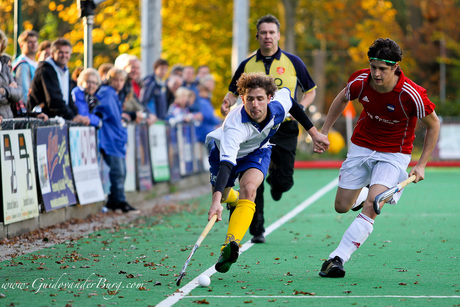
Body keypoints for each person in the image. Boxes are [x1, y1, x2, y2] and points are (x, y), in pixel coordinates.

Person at [318, 38, 440, 278]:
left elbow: (434, 124)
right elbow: (342, 98)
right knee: (342, 206)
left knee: (373, 205)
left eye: (382, 69)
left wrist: (422, 163)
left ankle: (338, 258)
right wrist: (323, 132)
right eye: (373, 67)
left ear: (395, 68)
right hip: (361, 145)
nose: (376, 73)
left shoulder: (412, 94)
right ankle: (368, 194)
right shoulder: (360, 81)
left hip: (394, 153)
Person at [207, 72, 329, 273]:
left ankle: (230, 246)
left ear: (269, 98)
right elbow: (227, 165)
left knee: (250, 188)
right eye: (250, 99)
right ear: (242, 99)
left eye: (260, 99)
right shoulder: (234, 125)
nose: (255, 105)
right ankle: (234, 200)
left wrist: (314, 133)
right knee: (223, 196)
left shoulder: (277, 108)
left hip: (258, 151)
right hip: (224, 155)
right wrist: (215, 201)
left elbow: (291, 100)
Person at [220, 14, 317, 244]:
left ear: (278, 35)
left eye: (272, 32)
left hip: (284, 127)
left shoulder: (294, 62)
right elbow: (233, 93)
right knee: (252, 181)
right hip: (254, 130)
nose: (267, 37)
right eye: (263, 32)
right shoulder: (247, 64)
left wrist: (300, 107)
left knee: (284, 182)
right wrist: (226, 102)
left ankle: (277, 180)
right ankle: (257, 229)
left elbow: (311, 90)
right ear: (257, 36)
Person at [95, 67, 140, 213]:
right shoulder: (106, 93)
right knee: (118, 171)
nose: (119, 83)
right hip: (109, 138)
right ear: (109, 79)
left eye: (122, 80)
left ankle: (115, 200)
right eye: (116, 80)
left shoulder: (115, 94)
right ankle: (118, 201)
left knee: (121, 171)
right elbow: (108, 114)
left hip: (115, 137)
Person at [28, 38, 89, 124]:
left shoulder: (64, 70)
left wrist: (76, 115)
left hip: (57, 119)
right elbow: (53, 100)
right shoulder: (46, 69)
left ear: (70, 55)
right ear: (52, 54)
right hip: (43, 119)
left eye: (67, 52)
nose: (64, 55)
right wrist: (71, 117)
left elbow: (67, 97)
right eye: (60, 52)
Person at [12, 30, 39, 105]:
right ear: (21, 45)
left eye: (35, 41)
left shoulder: (35, 64)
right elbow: (24, 91)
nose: (34, 45)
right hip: (28, 108)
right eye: (30, 42)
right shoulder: (22, 64)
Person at [0, 30, 22, 119]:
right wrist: (10, 91)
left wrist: (4, 91)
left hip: (7, 120)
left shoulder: (5, 65)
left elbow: (18, 93)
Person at [194, 74, 221, 145]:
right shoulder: (202, 101)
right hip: (205, 134)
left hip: (207, 133)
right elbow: (208, 116)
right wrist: (220, 122)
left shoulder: (206, 100)